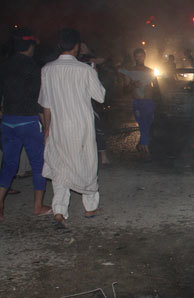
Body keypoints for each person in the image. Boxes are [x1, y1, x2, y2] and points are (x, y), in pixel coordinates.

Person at [38, 28, 105, 225]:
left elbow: (46, 104)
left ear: (60, 45)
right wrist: (95, 73)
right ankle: (90, 207)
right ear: (76, 46)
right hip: (81, 125)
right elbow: (100, 96)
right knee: (87, 162)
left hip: (59, 125)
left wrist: (47, 129)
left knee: (60, 164)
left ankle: (59, 209)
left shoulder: (47, 69)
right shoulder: (85, 70)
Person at [0, 28, 52, 221]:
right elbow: (38, 99)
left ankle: (0, 205)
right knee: (39, 164)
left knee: (9, 164)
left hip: (8, 121)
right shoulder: (33, 66)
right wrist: (46, 126)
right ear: (30, 46)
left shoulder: (4, 65)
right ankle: (38, 206)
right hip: (28, 121)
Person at [119, 48, 159, 154]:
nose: (140, 58)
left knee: (148, 124)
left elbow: (157, 88)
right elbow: (125, 89)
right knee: (142, 124)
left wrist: (152, 89)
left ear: (145, 56)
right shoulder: (130, 72)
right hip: (138, 102)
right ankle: (145, 149)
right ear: (135, 57)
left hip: (149, 102)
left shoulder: (150, 71)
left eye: (142, 55)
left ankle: (142, 144)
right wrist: (133, 85)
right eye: (138, 56)